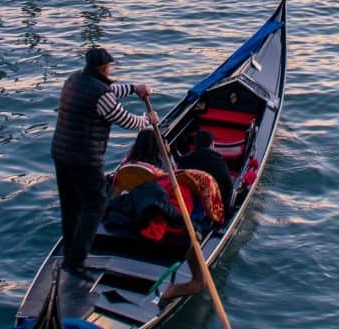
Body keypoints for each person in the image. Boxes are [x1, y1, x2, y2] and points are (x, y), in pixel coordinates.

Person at [50, 45, 159, 282]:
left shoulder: (74, 80)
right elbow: (125, 119)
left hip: (61, 153)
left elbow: (109, 90)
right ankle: (77, 262)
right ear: (103, 68)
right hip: (84, 158)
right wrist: (147, 120)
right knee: (95, 205)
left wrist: (134, 88)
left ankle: (69, 254)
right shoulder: (101, 95)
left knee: (70, 206)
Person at [182, 129, 233, 214]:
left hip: (188, 203)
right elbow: (229, 187)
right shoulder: (219, 162)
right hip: (211, 206)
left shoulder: (184, 160)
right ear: (211, 145)